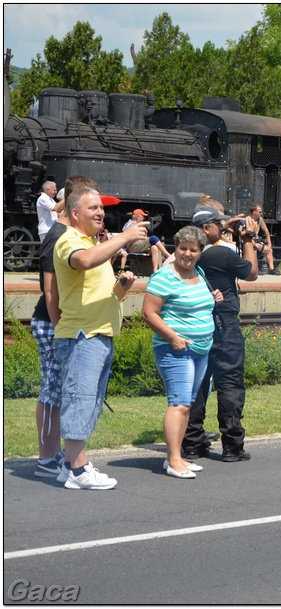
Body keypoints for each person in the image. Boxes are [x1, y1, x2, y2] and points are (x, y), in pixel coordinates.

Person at [53, 187, 149, 489]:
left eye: (101, 208)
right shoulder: (69, 240)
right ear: (75, 213)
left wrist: (122, 287)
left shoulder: (93, 243)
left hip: (98, 333)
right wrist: (126, 236)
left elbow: (106, 295)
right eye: (92, 208)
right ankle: (79, 471)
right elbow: (82, 262)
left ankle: (70, 466)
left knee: (90, 402)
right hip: (82, 336)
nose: (99, 212)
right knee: (80, 400)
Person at [142, 226, 221, 478]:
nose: (187, 253)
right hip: (176, 349)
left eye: (193, 249)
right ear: (175, 249)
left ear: (200, 252)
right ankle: (174, 461)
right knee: (178, 403)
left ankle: (178, 457)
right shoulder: (164, 277)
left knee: (188, 404)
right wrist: (173, 337)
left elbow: (199, 303)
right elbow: (148, 313)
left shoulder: (199, 272)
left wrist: (213, 297)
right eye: (183, 248)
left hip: (201, 349)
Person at [182, 204, 260, 462]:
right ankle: (232, 446)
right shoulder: (220, 255)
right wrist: (248, 238)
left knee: (198, 385)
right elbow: (251, 273)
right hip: (224, 324)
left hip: (195, 325)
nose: (223, 227)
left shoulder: (185, 257)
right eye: (218, 224)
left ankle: (192, 443)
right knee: (230, 383)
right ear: (206, 228)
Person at [29, 176, 95, 478]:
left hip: (63, 322)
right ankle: (46, 457)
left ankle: (55, 454)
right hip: (51, 322)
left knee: (60, 390)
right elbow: (50, 291)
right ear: (74, 206)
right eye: (89, 204)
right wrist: (59, 328)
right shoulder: (57, 236)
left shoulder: (72, 234)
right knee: (52, 390)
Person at [123, 208, 172, 273]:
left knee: (154, 248)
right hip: (131, 245)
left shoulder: (141, 226)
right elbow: (127, 236)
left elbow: (144, 237)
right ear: (137, 216)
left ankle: (155, 271)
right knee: (153, 238)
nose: (143, 218)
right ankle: (168, 255)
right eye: (142, 216)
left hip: (140, 245)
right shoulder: (129, 224)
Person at [248, 204, 280, 275]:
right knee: (255, 248)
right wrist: (254, 243)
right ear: (254, 212)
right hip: (248, 240)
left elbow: (266, 231)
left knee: (269, 250)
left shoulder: (260, 220)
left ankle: (271, 269)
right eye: (260, 212)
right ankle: (255, 268)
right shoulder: (247, 220)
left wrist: (269, 243)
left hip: (257, 240)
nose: (261, 214)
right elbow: (247, 235)